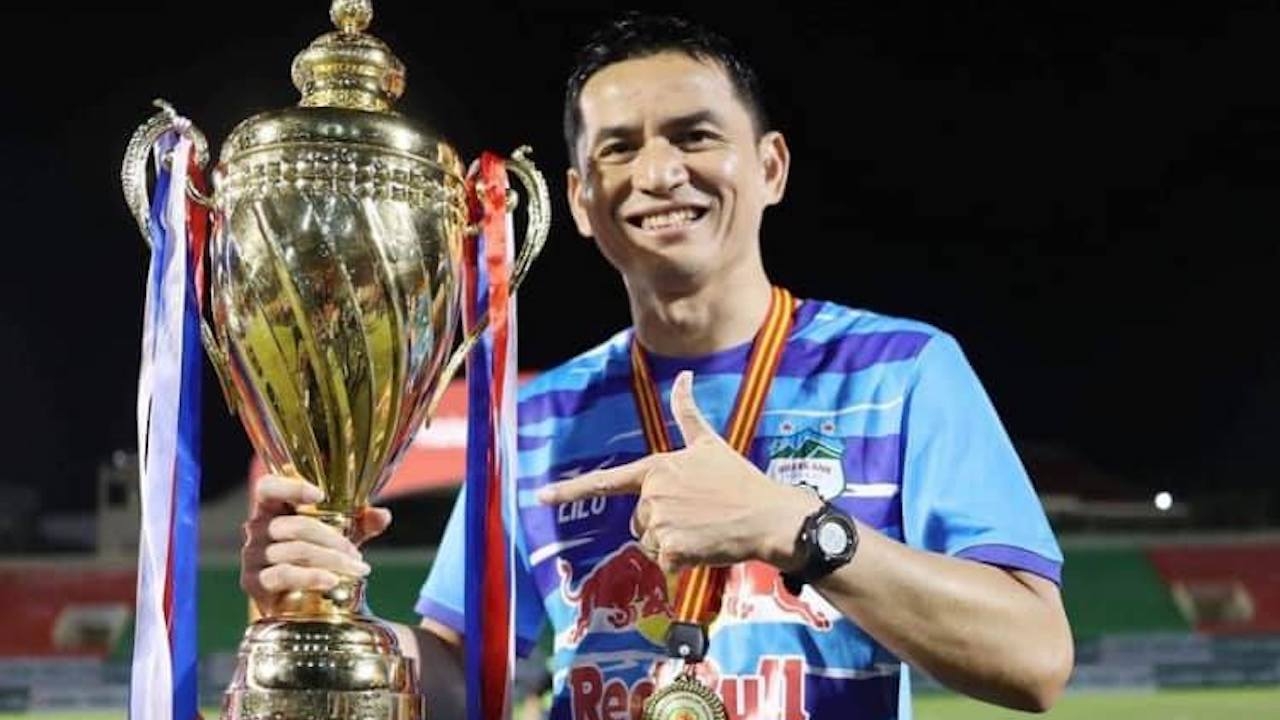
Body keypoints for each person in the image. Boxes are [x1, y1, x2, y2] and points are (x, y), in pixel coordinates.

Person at [241, 11, 1073, 719]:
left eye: (694, 136)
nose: (659, 173)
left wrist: (799, 530)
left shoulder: (901, 372)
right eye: (619, 148)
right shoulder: (533, 421)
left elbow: (1035, 660)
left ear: (771, 167)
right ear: (579, 201)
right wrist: (321, 611)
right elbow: (464, 676)